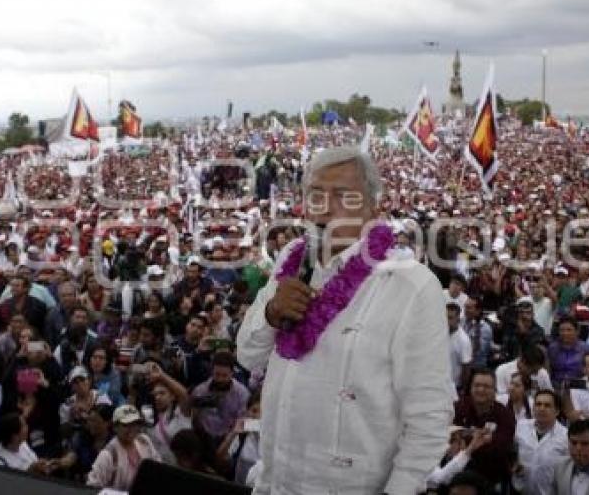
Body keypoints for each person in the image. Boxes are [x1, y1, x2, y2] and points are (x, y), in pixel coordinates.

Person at [237, 146, 453, 494]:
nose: (324, 207)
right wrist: (270, 314)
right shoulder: (290, 264)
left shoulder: (410, 285)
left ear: (372, 207)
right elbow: (247, 356)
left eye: (342, 196)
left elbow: (429, 416)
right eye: (316, 194)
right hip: (276, 483)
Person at [452, 369, 515, 488]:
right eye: (477, 385)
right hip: (458, 477)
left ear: (494, 390)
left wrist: (466, 437)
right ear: (470, 388)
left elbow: (504, 445)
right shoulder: (458, 408)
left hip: (491, 479)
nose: (481, 390)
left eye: (486, 386)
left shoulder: (505, 415)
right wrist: (481, 438)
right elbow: (449, 437)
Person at [86, 405, 161, 491]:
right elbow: (92, 487)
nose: (132, 429)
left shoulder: (144, 441)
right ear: (115, 427)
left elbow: (158, 467)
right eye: (126, 425)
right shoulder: (108, 455)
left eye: (135, 424)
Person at [513, 389, 568, 494]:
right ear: (533, 408)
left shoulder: (565, 437)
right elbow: (512, 452)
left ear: (557, 411)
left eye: (547, 405)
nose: (541, 408)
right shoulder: (521, 426)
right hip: (519, 491)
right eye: (538, 404)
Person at [189, 351, 249, 446]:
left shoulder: (242, 393)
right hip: (204, 438)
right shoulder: (200, 391)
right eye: (217, 375)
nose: (220, 379)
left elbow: (242, 421)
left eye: (224, 376)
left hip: (231, 439)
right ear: (212, 371)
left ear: (232, 373)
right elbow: (194, 418)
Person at [424, 426, 493, 491]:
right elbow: (439, 478)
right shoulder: (431, 460)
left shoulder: (473, 464)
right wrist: (469, 449)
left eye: (457, 440)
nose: (453, 445)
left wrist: (470, 448)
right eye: (451, 440)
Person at [548, 317, 589, 391]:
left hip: (579, 388)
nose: (565, 333)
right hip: (556, 387)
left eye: (569, 330)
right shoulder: (552, 348)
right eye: (562, 330)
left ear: (577, 331)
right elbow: (550, 371)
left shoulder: (586, 349)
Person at [446, 301, 473, 395]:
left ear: (458, 318)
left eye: (450, 318)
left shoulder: (463, 340)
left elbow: (466, 368)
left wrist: (463, 390)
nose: (446, 321)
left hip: (453, 387)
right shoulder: (439, 333)